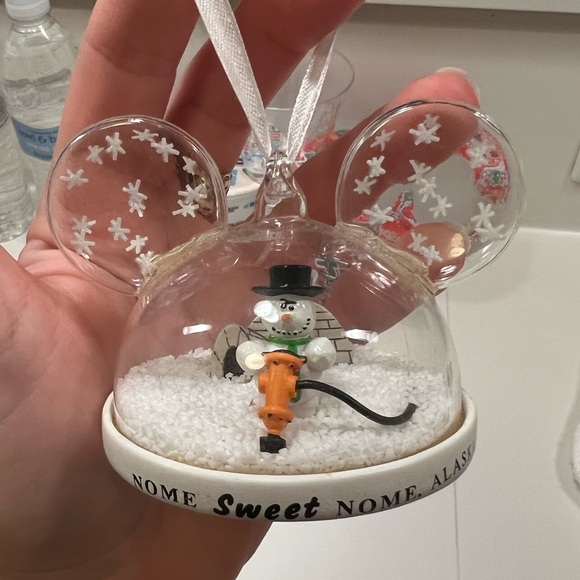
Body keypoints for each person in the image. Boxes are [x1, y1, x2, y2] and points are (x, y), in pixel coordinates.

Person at [0, 0, 479, 577]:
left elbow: (333, 347)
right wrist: (250, 357)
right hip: (263, 378)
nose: (287, 310)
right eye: (282, 303)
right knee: (266, 386)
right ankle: (272, 432)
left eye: (294, 303)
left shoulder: (317, 324)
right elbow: (240, 343)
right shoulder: (259, 324)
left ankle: (282, 422)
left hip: (299, 376)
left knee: (289, 387)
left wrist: (318, 354)